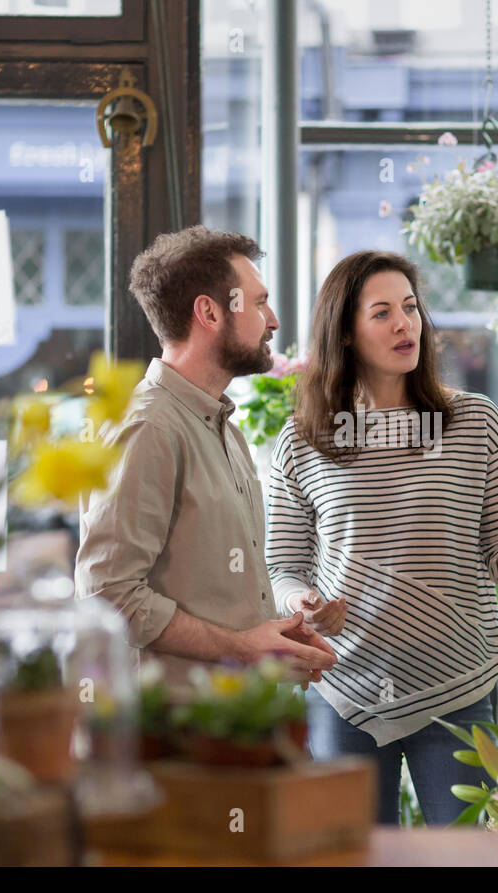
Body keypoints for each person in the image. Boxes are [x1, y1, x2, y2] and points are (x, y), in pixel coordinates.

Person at [265, 250, 498, 825]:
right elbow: (281, 566)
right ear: (346, 333)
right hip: (344, 688)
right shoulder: (303, 440)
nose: (405, 324)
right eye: (381, 312)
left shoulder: (476, 423)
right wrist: (300, 604)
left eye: (410, 308)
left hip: (456, 685)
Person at [75, 225, 337, 686]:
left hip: (235, 724)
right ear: (209, 312)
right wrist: (242, 649)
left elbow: (222, 593)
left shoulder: (224, 430)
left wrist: (279, 637)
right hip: (177, 737)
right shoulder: (147, 428)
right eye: (258, 303)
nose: (273, 320)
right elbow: (106, 593)